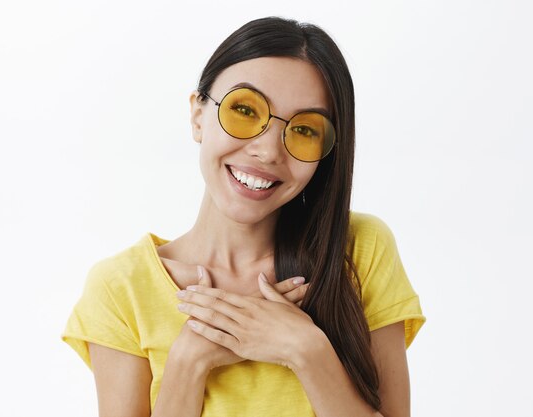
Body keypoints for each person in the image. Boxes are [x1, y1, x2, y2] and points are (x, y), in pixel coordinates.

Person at [61, 16, 426, 417]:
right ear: (198, 115)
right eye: (244, 110)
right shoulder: (121, 288)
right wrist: (188, 363)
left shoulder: (359, 249)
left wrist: (305, 349)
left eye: (304, 130)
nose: (268, 151)